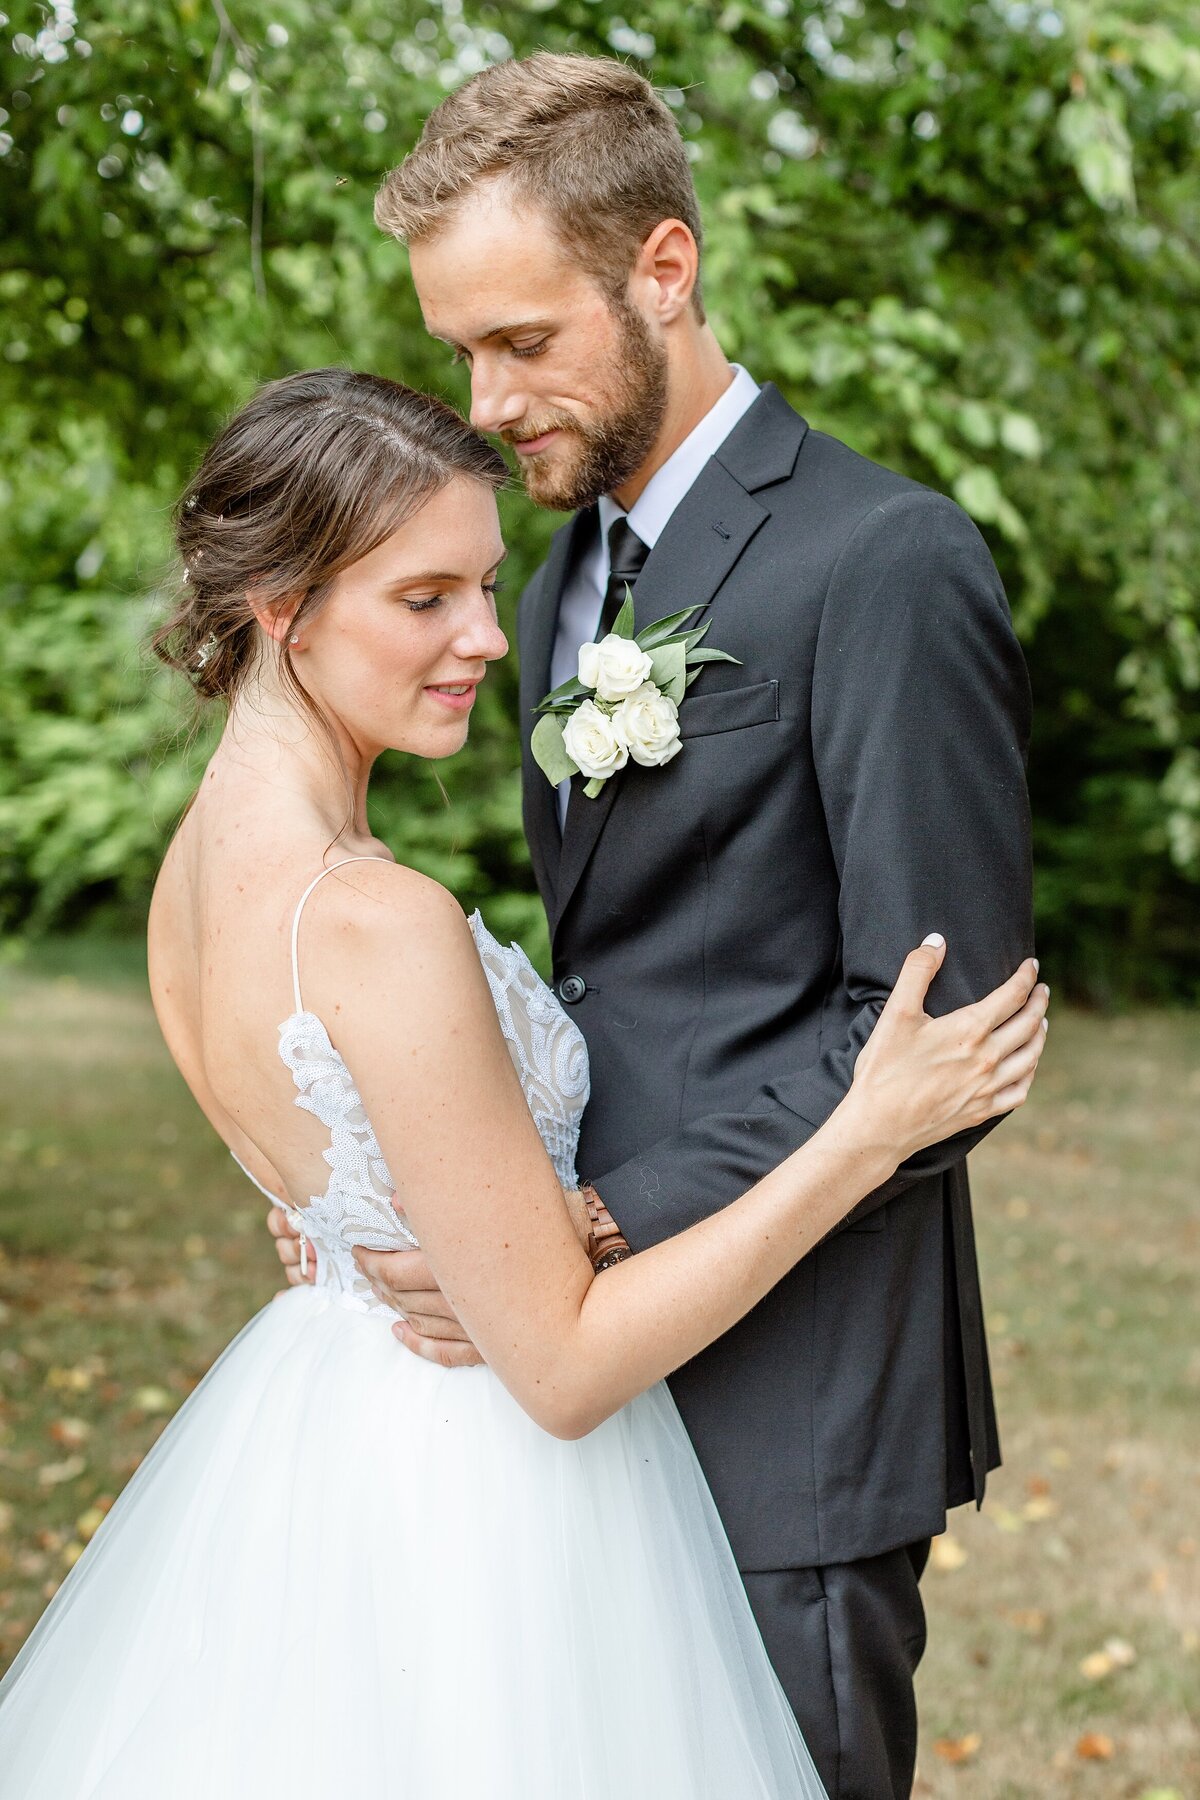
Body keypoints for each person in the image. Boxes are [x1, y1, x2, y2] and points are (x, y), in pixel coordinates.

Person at [0, 368, 1047, 1799]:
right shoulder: (376, 920)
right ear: (280, 605)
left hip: (327, 1458)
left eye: (488, 588)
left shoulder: (189, 880)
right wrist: (861, 1134)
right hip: (483, 1506)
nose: (490, 638)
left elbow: (339, 1162)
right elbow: (558, 1366)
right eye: (424, 600)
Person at [270, 53, 1039, 1799]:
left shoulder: (883, 559)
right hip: (600, 1376)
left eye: (522, 342)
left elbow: (941, 1030)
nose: (483, 395)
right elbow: (619, 969)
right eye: (459, 346)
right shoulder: (548, 587)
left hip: (804, 1397)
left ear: (665, 271)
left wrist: (599, 1215)